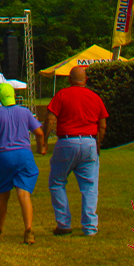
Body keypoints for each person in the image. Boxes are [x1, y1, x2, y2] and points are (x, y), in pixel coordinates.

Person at [45, 65, 108, 236]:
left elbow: (50, 119)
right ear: (86, 80)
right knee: (89, 186)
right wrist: (98, 145)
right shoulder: (95, 97)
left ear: (69, 79)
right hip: (89, 142)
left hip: (66, 141)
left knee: (57, 182)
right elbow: (102, 125)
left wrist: (43, 141)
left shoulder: (62, 95)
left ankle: (64, 224)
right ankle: (90, 227)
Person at [0, 83, 45, 244]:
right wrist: (40, 148)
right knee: (23, 194)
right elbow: (39, 132)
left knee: (2, 196)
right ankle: (28, 230)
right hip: (24, 155)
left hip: (4, 156)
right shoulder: (25, 112)